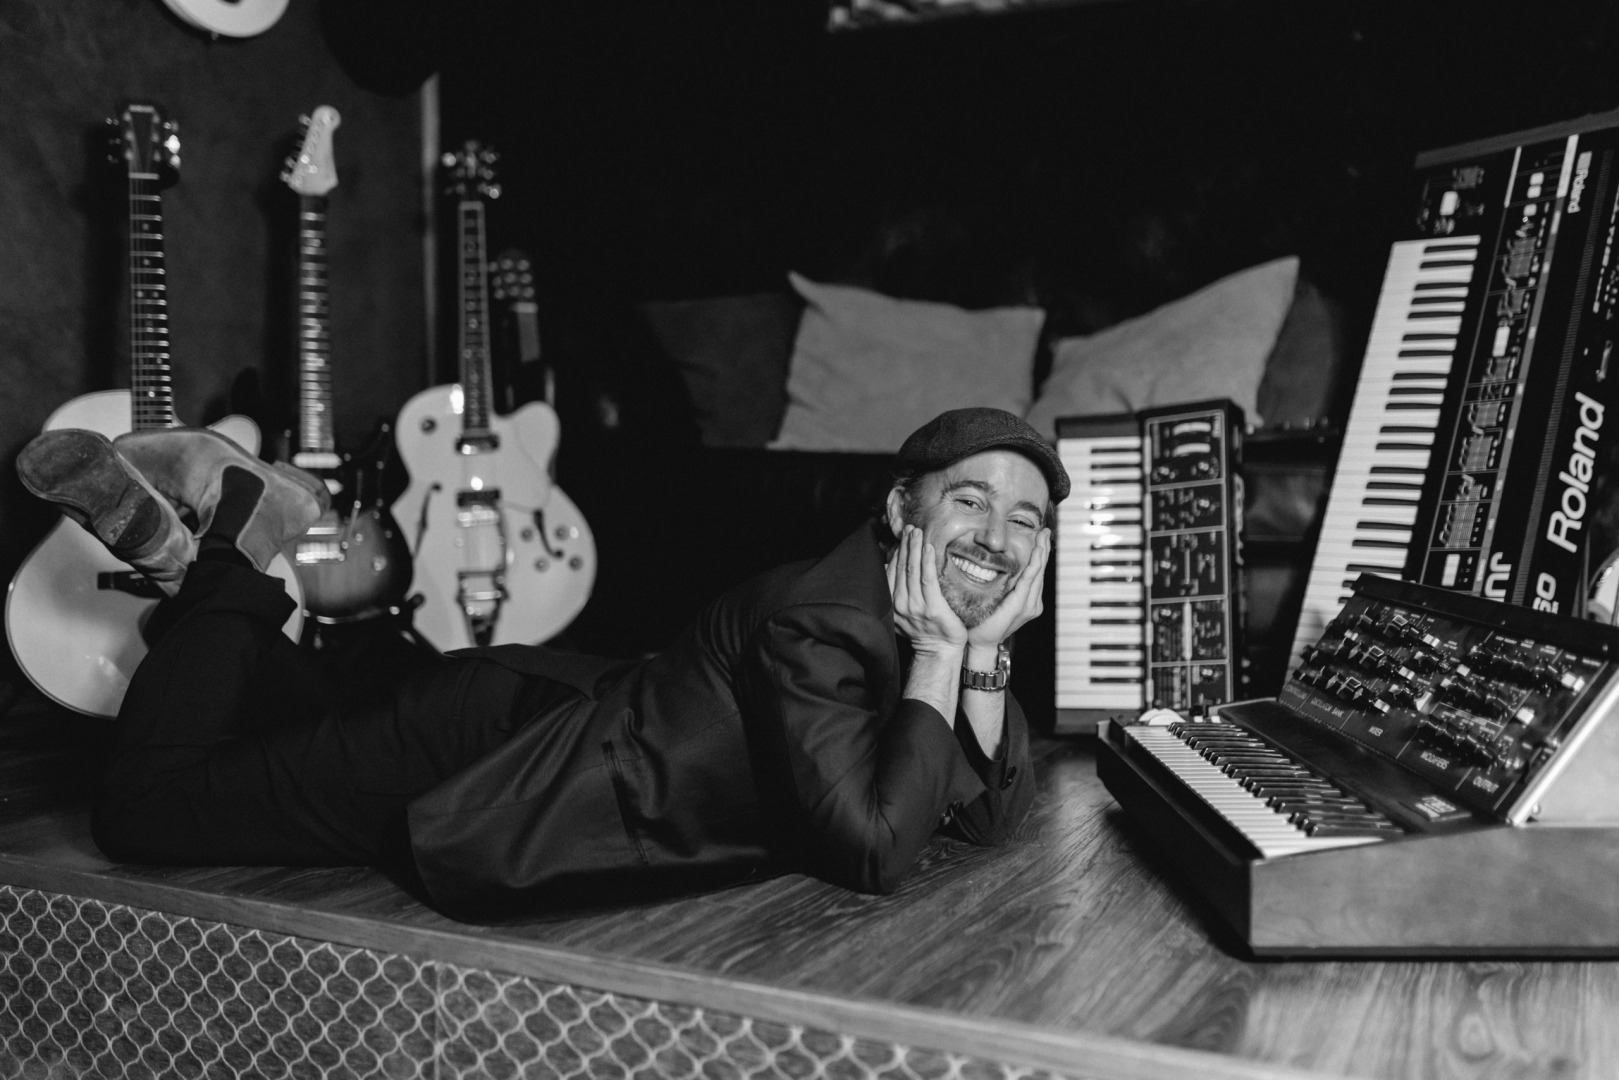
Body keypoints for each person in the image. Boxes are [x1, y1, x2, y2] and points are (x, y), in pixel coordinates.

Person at [14, 406, 1067, 920]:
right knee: (146, 811)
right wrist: (948, 648)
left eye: (1022, 521)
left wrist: (981, 652)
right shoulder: (823, 617)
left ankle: (179, 565)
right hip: (489, 758)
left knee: (273, 732)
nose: (994, 536)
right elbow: (876, 848)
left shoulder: (924, 621)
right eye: (969, 500)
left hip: (540, 724)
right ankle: (241, 536)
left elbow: (983, 817)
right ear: (900, 508)